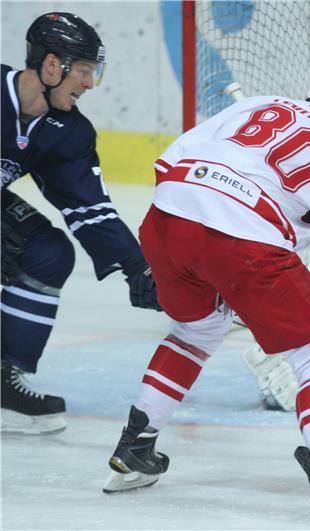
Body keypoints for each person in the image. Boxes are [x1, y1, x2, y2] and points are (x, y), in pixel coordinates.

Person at [102, 58, 310, 526]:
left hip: (166, 219)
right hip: (243, 239)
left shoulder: (259, 104)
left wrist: (204, 254)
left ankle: (135, 446)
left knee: (194, 331)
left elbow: (169, 163)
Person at [1, 12, 161, 435]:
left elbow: (90, 208)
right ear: (52, 66)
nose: (90, 83)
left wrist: (137, 266)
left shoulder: (66, 132)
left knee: (46, 253)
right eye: (85, 70)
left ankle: (2, 385)